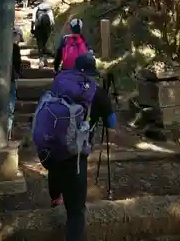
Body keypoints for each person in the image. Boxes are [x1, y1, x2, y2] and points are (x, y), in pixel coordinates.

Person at [33, 53, 116, 241]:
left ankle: (55, 198)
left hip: (49, 146)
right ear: (92, 72)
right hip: (75, 155)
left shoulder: (59, 81)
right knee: (76, 211)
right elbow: (112, 123)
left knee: (55, 168)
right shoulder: (98, 93)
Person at [31, 0, 54, 68]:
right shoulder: (49, 9)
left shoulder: (36, 9)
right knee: (45, 44)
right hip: (47, 29)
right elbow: (52, 21)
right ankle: (46, 60)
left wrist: (32, 29)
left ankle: (41, 61)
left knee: (40, 45)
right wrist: (51, 29)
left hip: (39, 29)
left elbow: (33, 20)